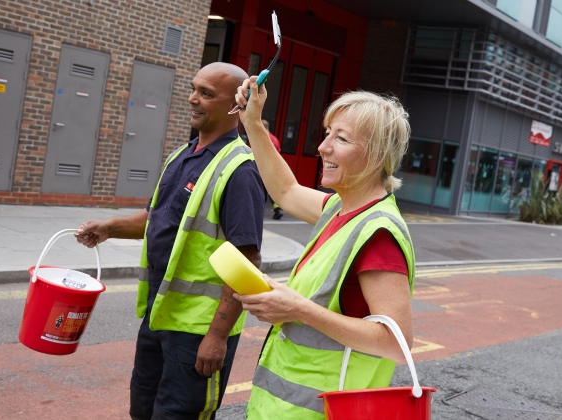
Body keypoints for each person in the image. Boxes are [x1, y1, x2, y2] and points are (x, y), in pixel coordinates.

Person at [75, 62, 266, 420]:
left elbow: (246, 263)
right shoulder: (183, 155)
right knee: (144, 410)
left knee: (180, 415)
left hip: (198, 331)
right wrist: (111, 226)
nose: (193, 98)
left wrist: (218, 336)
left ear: (235, 105)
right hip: (159, 315)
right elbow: (158, 218)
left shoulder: (240, 170)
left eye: (206, 93)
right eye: (194, 88)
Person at [233, 78, 415, 419]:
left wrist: (298, 309)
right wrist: (253, 123)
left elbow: (396, 343)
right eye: (328, 133)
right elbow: (285, 191)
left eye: (341, 138)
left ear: (377, 156)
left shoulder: (378, 234)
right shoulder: (339, 207)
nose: (322, 147)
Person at [261, 119, 284, 220]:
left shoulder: (261, 138)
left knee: (259, 188)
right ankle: (277, 209)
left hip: (262, 166)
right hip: (273, 167)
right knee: (270, 189)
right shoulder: (275, 139)